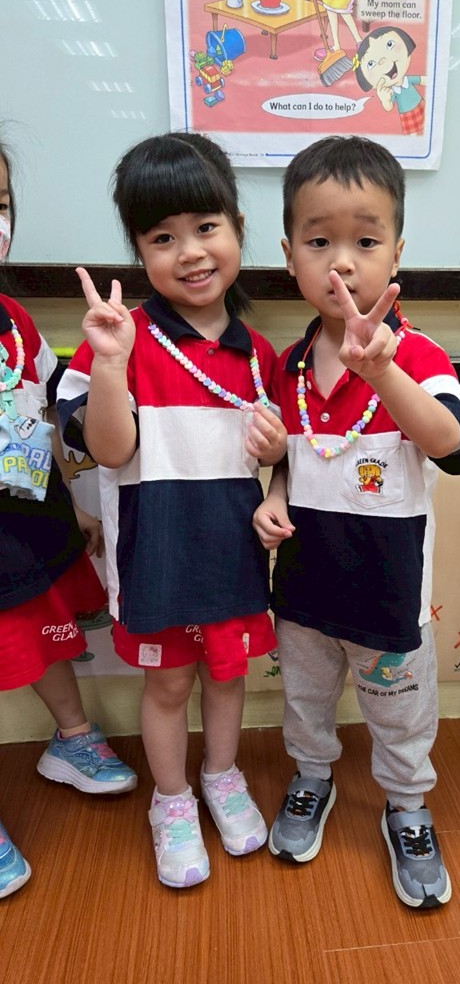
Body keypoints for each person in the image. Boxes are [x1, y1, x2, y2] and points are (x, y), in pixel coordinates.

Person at [252, 135, 460, 909]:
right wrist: (275, 489)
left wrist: (381, 371)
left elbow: (453, 449)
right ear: (289, 255)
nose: (340, 263)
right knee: (304, 702)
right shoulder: (286, 367)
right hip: (305, 591)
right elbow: (299, 457)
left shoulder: (417, 355)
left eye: (365, 242)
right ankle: (311, 776)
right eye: (319, 242)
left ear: (396, 253)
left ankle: (407, 806)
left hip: (387, 595)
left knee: (400, 714)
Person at [57, 132, 287, 888]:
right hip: (155, 554)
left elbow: (283, 463)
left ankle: (221, 775)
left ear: (238, 229)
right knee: (166, 686)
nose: (189, 252)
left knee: (227, 677)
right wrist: (112, 363)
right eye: (162, 238)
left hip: (231, 555)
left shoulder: (261, 357)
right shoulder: (119, 341)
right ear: (138, 250)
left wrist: (277, 460)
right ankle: (172, 799)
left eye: (205, 227)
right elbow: (109, 449)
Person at [0, 139, 137, 900]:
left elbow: (51, 412)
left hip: (28, 522)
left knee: (44, 629)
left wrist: (80, 508)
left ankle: (72, 738)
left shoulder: (14, 320)